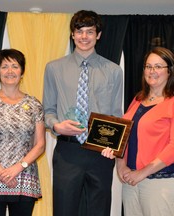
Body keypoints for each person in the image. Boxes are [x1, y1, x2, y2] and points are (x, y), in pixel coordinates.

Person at [43, 10, 123, 216]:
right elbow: (48, 110)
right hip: (68, 152)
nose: (84, 37)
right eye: (79, 32)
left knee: (99, 211)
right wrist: (56, 125)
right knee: (64, 210)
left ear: (98, 35)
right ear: (72, 34)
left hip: (101, 154)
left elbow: (116, 114)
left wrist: (112, 146)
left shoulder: (114, 71)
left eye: (90, 32)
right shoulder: (54, 68)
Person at [102, 47, 174, 216]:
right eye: (148, 66)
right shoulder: (138, 99)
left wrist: (142, 173)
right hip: (131, 182)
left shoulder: (171, 102)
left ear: (169, 71)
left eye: (158, 66)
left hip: (158, 183)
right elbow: (123, 136)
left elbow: (172, 148)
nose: (152, 71)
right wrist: (121, 166)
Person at [0, 48, 45, 216]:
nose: (10, 71)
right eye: (4, 66)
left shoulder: (34, 104)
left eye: (15, 66)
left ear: (22, 71)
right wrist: (1, 172)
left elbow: (40, 144)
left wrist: (17, 168)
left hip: (25, 178)